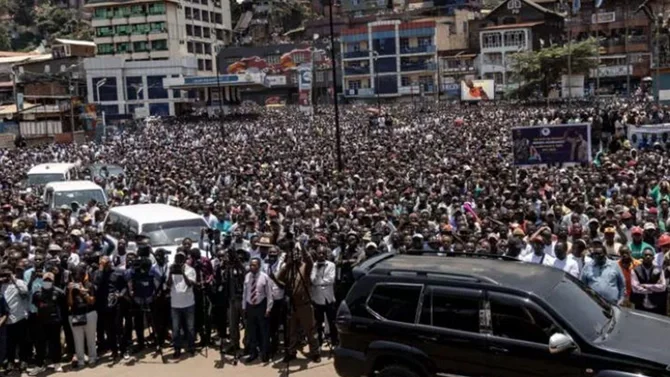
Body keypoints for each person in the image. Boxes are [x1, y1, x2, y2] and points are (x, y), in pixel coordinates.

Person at [277, 243, 320, 363]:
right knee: (292, 330)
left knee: (310, 330)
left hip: (305, 304)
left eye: (297, 254)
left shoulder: (305, 266)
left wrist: (303, 247)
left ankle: (315, 352)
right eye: (292, 254)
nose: (295, 256)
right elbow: (278, 279)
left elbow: (310, 261)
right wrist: (287, 265)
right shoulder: (288, 268)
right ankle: (291, 352)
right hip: (292, 305)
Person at [30, 272, 64, 375]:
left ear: (53, 281)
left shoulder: (59, 292)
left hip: (55, 322)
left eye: (49, 280)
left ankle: (57, 363)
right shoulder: (37, 293)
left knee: (55, 344)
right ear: (42, 280)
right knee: (40, 345)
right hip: (41, 323)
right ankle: (39, 365)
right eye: (45, 280)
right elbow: (35, 304)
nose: (47, 282)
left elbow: (63, 307)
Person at [167, 250, 196, 358]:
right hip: (175, 304)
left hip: (188, 303)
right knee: (175, 329)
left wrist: (182, 273)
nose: (178, 259)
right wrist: (170, 273)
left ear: (184, 259)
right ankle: (177, 349)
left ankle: (191, 347)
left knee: (190, 328)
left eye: (181, 258)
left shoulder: (190, 270)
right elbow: (168, 285)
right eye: (177, 257)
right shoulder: (172, 269)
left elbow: (190, 284)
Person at [242, 257, 272, 363]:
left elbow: (269, 294)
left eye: (254, 265)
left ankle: (265, 353)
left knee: (264, 331)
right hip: (250, 306)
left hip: (261, 306)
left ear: (259, 266)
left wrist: (268, 308)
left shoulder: (265, 277)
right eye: (250, 265)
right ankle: (253, 353)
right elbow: (245, 293)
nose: (251, 267)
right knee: (251, 331)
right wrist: (244, 307)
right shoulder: (247, 277)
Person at [66, 265, 97, 368]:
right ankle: (81, 360)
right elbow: (69, 304)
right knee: (77, 339)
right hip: (75, 315)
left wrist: (83, 292)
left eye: (79, 274)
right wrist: (70, 291)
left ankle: (92, 358)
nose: (77, 276)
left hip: (89, 314)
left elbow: (92, 302)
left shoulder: (89, 285)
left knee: (91, 338)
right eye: (75, 274)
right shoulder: (70, 286)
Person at [580, 240, 626, 305]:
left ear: (605, 254)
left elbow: (622, 285)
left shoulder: (614, 265)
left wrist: (621, 300)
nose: (597, 256)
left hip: (612, 304)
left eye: (599, 254)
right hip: (593, 303)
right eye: (595, 254)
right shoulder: (588, 266)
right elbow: (582, 285)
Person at [310, 245, 338, 346]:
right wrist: (319, 278)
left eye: (323, 253)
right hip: (317, 299)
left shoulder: (331, 265)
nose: (321, 255)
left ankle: (334, 341)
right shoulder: (313, 265)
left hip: (329, 298)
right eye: (319, 253)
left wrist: (319, 282)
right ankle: (319, 342)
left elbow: (331, 279)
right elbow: (312, 280)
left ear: (326, 254)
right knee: (318, 323)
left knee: (332, 321)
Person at [630, 248, 667, 315]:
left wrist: (646, 286)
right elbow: (635, 288)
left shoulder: (660, 270)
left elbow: (663, 287)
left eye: (650, 255)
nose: (648, 257)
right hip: (640, 305)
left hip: (656, 306)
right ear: (642, 257)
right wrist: (653, 290)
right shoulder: (635, 270)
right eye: (646, 255)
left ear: (653, 258)